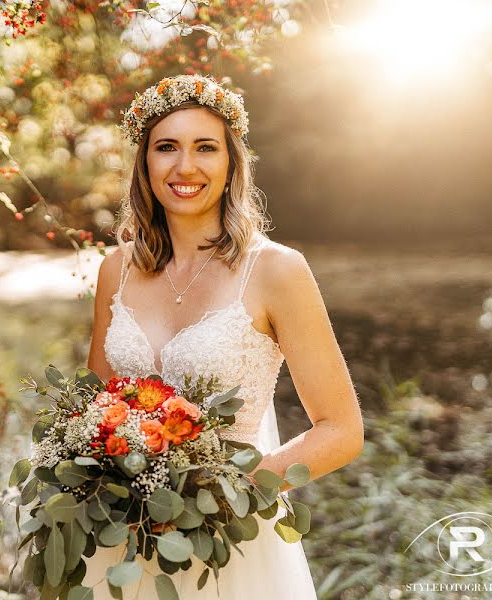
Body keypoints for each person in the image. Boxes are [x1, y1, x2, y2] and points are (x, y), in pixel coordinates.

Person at [85, 74, 364, 598]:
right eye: (166, 147)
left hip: (231, 545)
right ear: (145, 163)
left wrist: (227, 490)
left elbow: (342, 430)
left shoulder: (277, 271)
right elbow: (94, 408)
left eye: (205, 148)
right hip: (121, 540)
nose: (184, 166)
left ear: (232, 162)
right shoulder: (115, 270)